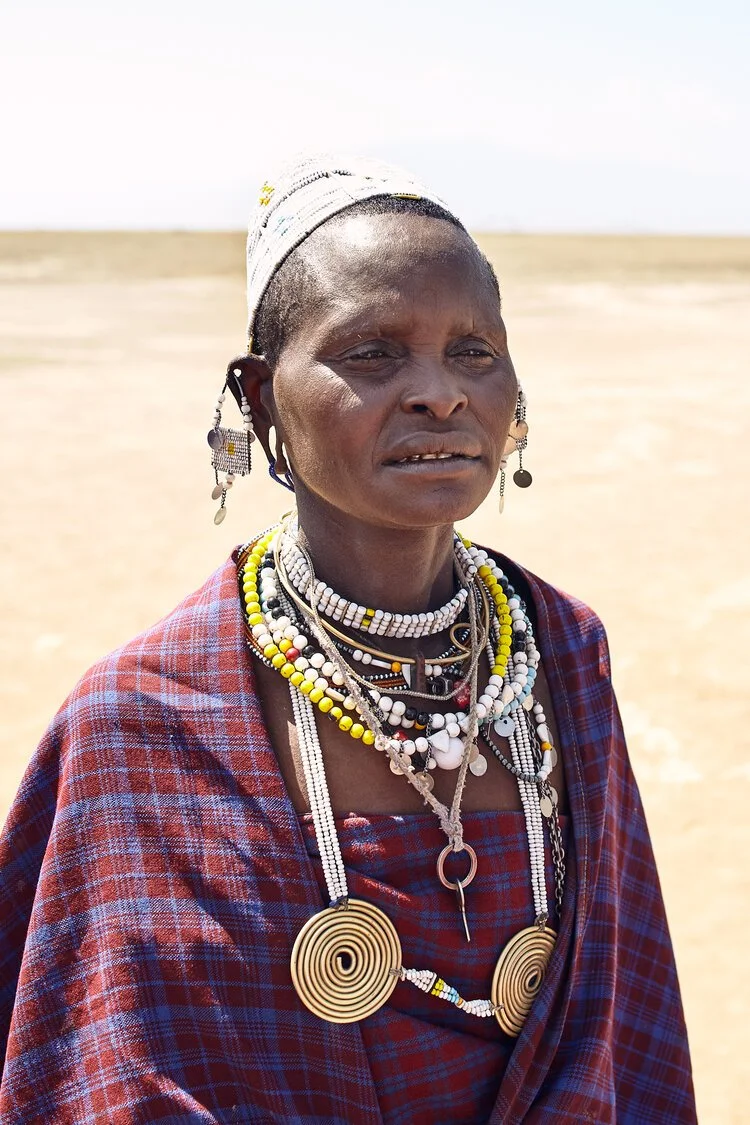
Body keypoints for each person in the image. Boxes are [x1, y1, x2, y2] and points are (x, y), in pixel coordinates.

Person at [0, 155, 696, 1124]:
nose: (440, 393)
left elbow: (626, 1025)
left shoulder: (564, 653)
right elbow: (105, 1068)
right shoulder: (140, 720)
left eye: (475, 351)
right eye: (372, 353)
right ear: (258, 399)